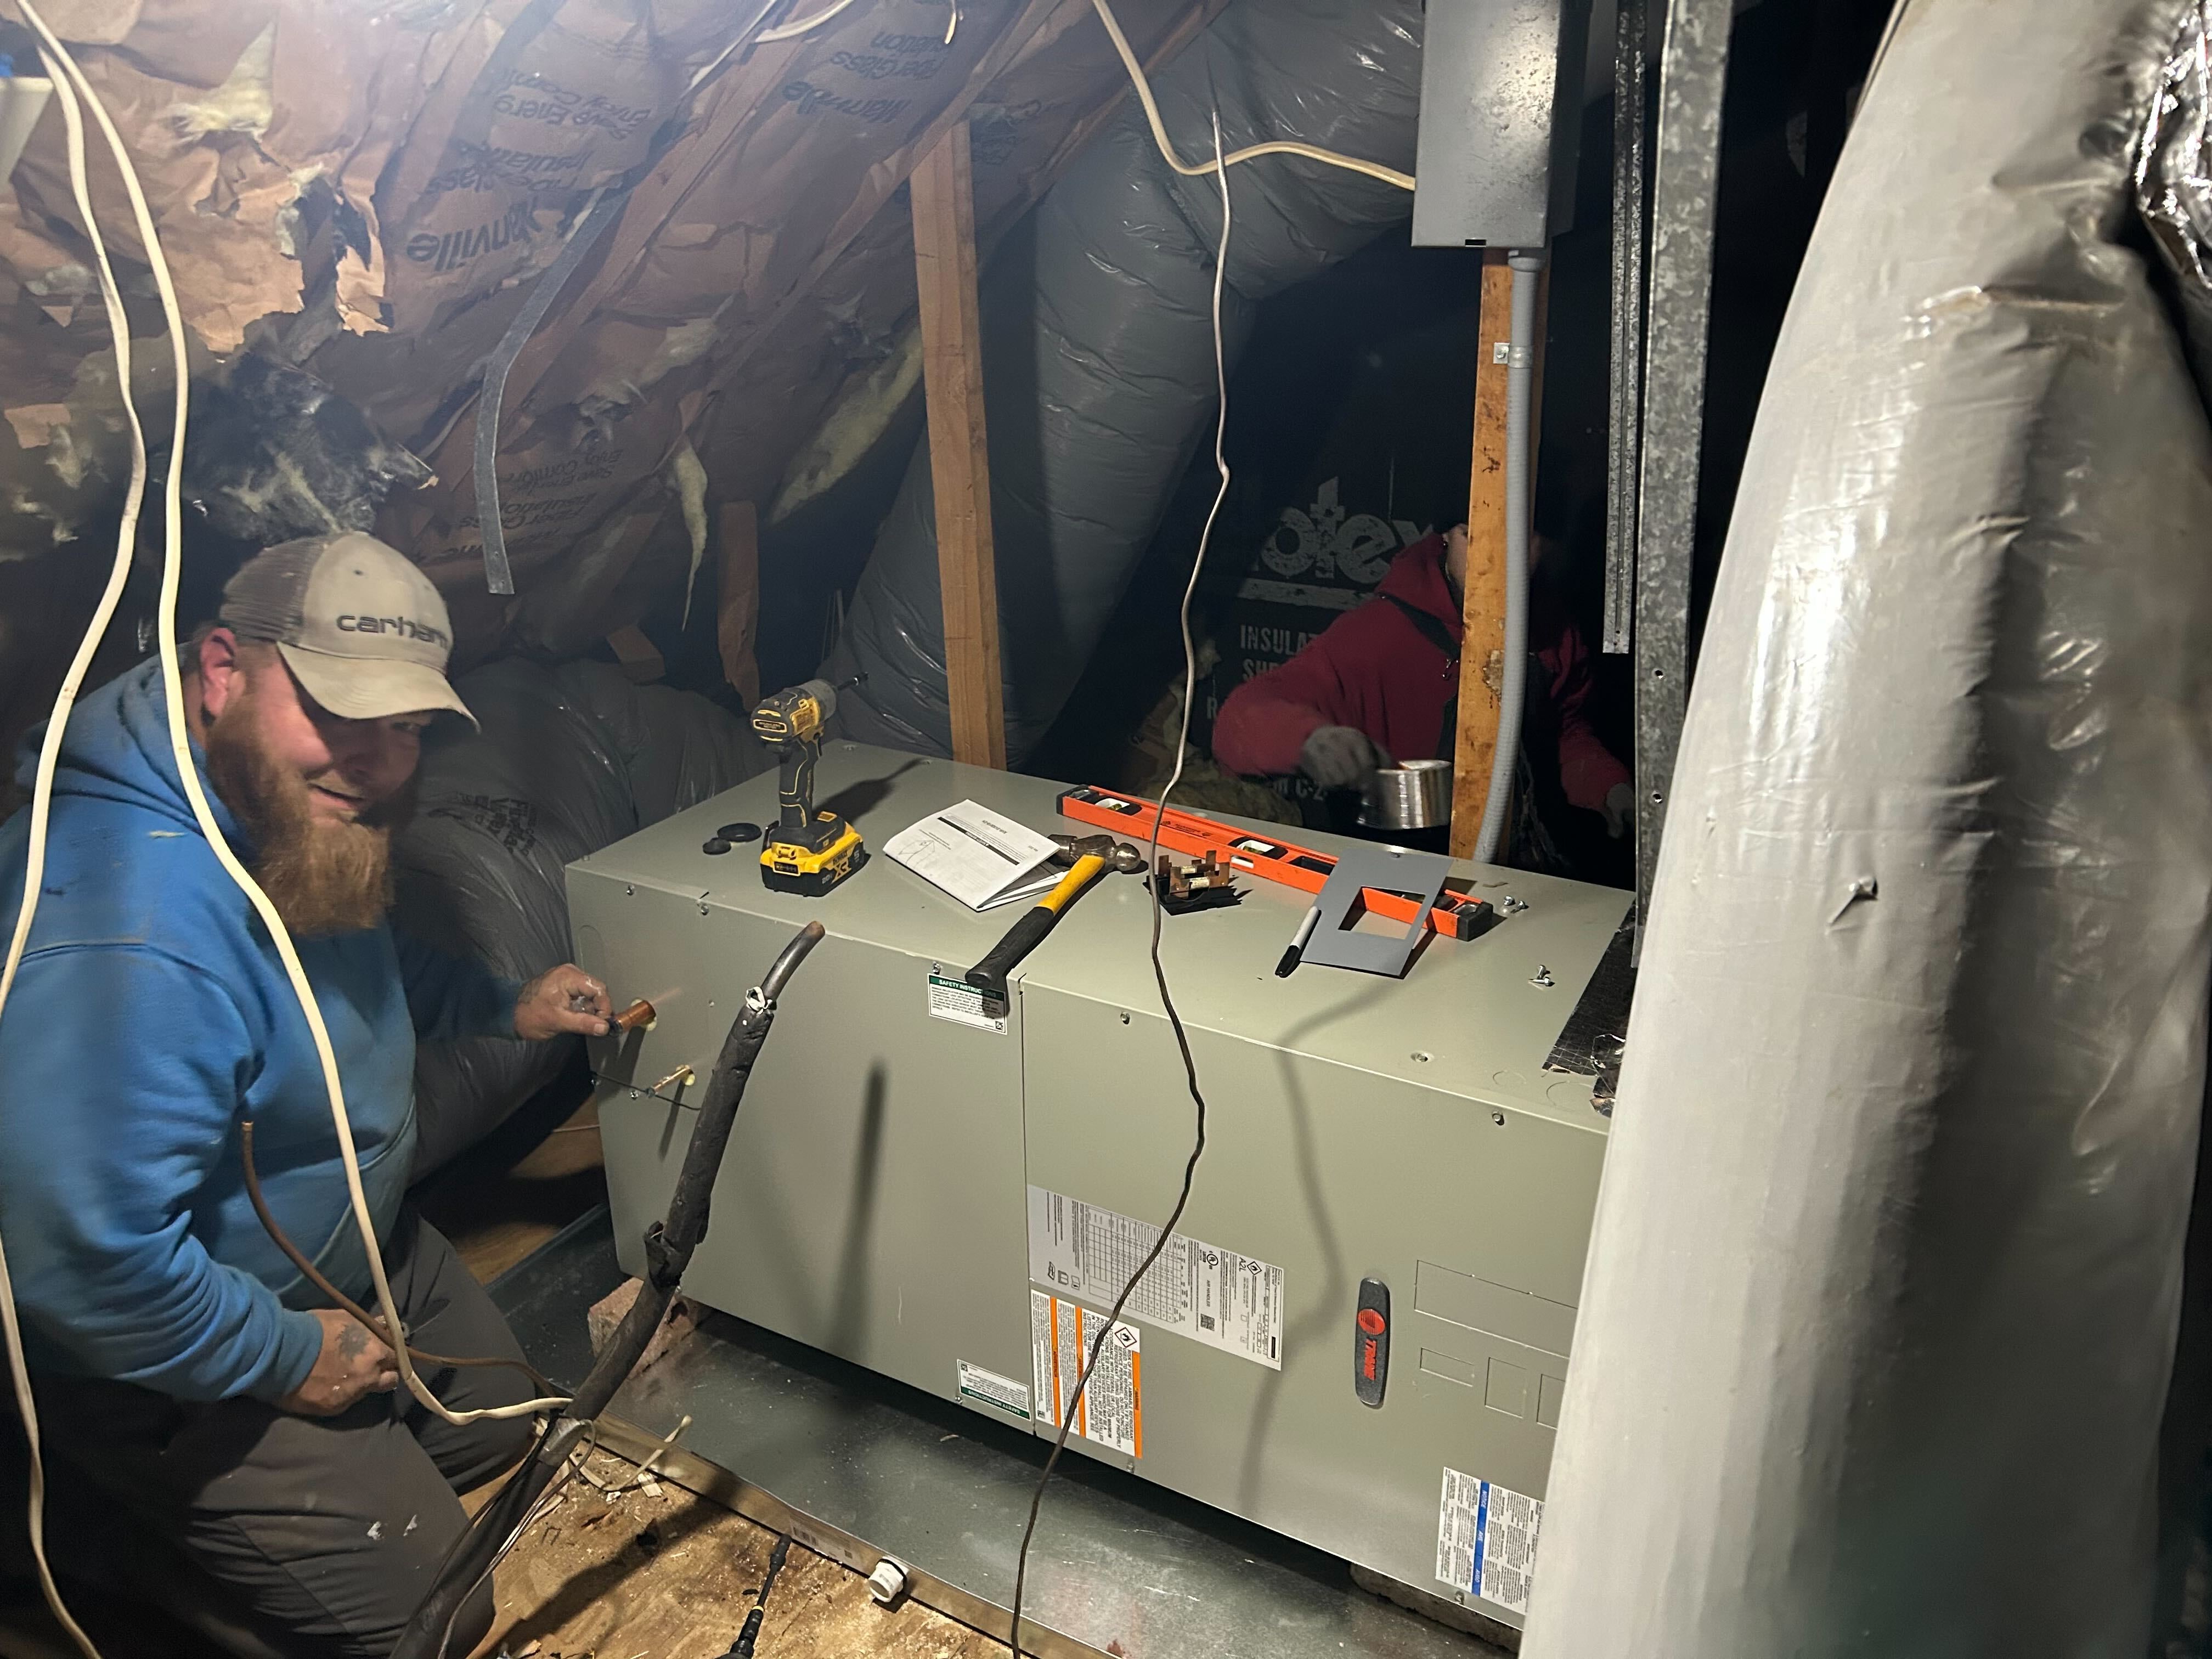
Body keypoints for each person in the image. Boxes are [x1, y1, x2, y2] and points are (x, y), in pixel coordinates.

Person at [0, 532, 614, 1657]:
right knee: (438, 1619)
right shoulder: (126, 936)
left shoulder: (273, 809)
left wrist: (503, 1004)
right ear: (221, 669)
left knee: (493, 1429)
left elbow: (358, 966)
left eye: (406, 725)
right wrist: (285, 1357)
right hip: (154, 1340)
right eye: (337, 711)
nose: (375, 760)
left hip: (338, 1240)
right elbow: (83, 1264)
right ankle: (93, 1523)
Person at [1211, 523, 1632, 871]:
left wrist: (1608, 787)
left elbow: (1563, 735)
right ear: (1446, 537)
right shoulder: (1379, 636)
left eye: (1520, 537)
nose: (1494, 559)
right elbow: (1240, 719)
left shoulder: (1555, 635)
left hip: (1518, 871)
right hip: (1392, 871)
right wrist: (1312, 741)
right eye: (1473, 535)